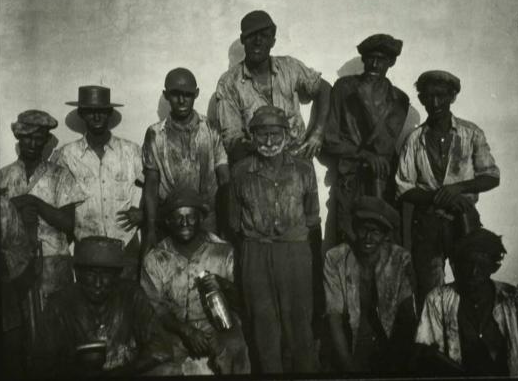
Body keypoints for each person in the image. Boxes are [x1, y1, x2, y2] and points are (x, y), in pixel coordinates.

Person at [396, 70, 500, 308]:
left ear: (452, 97)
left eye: (441, 96)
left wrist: (457, 189)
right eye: (429, 97)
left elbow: (492, 176)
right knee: (430, 290)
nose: (435, 103)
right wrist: (438, 197)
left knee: (472, 281)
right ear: (421, 99)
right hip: (427, 224)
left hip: (464, 220)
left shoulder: (470, 133)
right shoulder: (414, 139)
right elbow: (403, 188)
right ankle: (433, 342)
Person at [230, 106, 321, 373]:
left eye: (274, 134)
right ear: (252, 137)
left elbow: (313, 218)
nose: (268, 142)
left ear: (286, 134)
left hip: (295, 254)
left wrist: (308, 260)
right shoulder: (240, 171)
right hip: (255, 253)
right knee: (264, 326)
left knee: (299, 324)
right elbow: (234, 222)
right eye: (262, 135)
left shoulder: (304, 169)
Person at [141, 188, 250, 375]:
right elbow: (155, 308)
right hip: (174, 330)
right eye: (178, 217)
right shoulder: (155, 258)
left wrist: (223, 285)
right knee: (153, 362)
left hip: (217, 328)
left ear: (201, 219)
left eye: (191, 217)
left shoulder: (223, 252)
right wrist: (187, 332)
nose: (185, 223)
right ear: (167, 221)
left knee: (235, 347)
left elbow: (242, 303)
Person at [30, 236, 172, 378]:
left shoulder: (131, 295)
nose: (98, 283)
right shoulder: (59, 305)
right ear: (78, 273)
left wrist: (119, 374)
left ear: (117, 275)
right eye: (91, 273)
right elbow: (41, 364)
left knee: (167, 370)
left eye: (106, 274)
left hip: (125, 375)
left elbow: (161, 348)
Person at [215, 10, 331, 163]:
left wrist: (318, 133)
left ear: (273, 41)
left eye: (264, 36)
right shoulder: (229, 82)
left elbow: (324, 88)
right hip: (256, 164)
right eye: (251, 35)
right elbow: (232, 139)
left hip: (297, 160)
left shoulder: (290, 67)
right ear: (243, 40)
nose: (258, 41)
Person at [52, 85, 143, 280]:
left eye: (101, 111)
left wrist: (142, 211)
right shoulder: (67, 155)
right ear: (81, 113)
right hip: (87, 248)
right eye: (90, 111)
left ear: (109, 113)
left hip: (126, 245)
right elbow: (58, 201)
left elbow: (152, 187)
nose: (96, 116)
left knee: (127, 303)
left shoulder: (131, 151)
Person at [414, 228, 518, 376]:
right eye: (467, 264)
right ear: (457, 265)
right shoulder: (437, 299)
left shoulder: (515, 301)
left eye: (481, 264)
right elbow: (425, 351)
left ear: (494, 266)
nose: (474, 272)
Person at [323, 196, 417, 374]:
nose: (368, 237)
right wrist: (349, 368)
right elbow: (333, 317)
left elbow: (408, 317)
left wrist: (401, 364)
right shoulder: (335, 259)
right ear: (354, 228)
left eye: (376, 232)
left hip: (389, 346)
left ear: (386, 236)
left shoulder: (399, 259)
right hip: (352, 345)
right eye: (363, 229)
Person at [0, 110, 85, 306]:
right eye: (27, 137)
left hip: (53, 264)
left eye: (38, 138)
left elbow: (68, 223)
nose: (32, 143)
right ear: (18, 137)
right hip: (13, 266)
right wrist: (13, 209)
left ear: (46, 140)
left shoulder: (61, 176)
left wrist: (34, 202)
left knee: (54, 328)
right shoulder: (3, 176)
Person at [142, 68, 229, 251]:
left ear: (196, 94)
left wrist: (227, 223)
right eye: (175, 94)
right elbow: (151, 182)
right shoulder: (155, 134)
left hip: (206, 219)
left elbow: (224, 177)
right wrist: (150, 228)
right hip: (170, 219)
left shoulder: (211, 129)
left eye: (187, 95)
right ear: (166, 95)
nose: (181, 100)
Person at [323, 34, 409, 207]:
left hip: (382, 182)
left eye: (381, 60)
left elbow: (383, 145)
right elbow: (329, 140)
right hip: (350, 181)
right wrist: (364, 154)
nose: (374, 65)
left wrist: (366, 102)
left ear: (391, 62)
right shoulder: (343, 88)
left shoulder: (399, 99)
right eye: (370, 58)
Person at [1, 195, 35, 379]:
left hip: (3, 296)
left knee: (12, 359)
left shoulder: (2, 205)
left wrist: (4, 261)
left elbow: (22, 250)